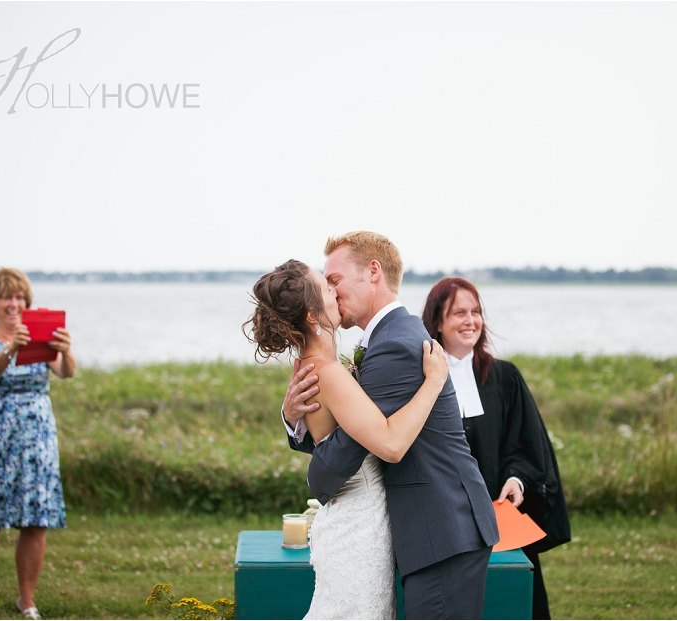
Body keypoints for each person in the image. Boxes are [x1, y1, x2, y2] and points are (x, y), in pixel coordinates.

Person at [283, 231, 499, 619]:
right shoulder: (388, 336)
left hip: (442, 529)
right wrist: (293, 419)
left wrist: (317, 477)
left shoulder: (393, 345)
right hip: (438, 528)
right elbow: (355, 431)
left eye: (334, 281)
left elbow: (351, 452)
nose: (331, 293)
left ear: (373, 272)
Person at [243, 259, 450, 619]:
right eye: (327, 288)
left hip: (354, 519)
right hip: (357, 528)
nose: (336, 291)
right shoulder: (328, 373)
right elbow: (391, 444)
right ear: (312, 314)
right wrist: (434, 382)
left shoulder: (312, 366)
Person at [420, 277, 570, 619]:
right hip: (441, 523)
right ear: (438, 322)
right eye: (459, 313)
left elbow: (527, 445)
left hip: (500, 521)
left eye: (475, 312)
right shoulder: (421, 378)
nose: (470, 320)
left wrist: (516, 479)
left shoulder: (504, 378)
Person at [0, 268, 75, 621]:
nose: (14, 304)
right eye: (7, 297)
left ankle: (26, 600)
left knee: (34, 521)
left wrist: (65, 350)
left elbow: (66, 372)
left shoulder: (40, 338)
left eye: (20, 297)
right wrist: (12, 348)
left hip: (36, 437)